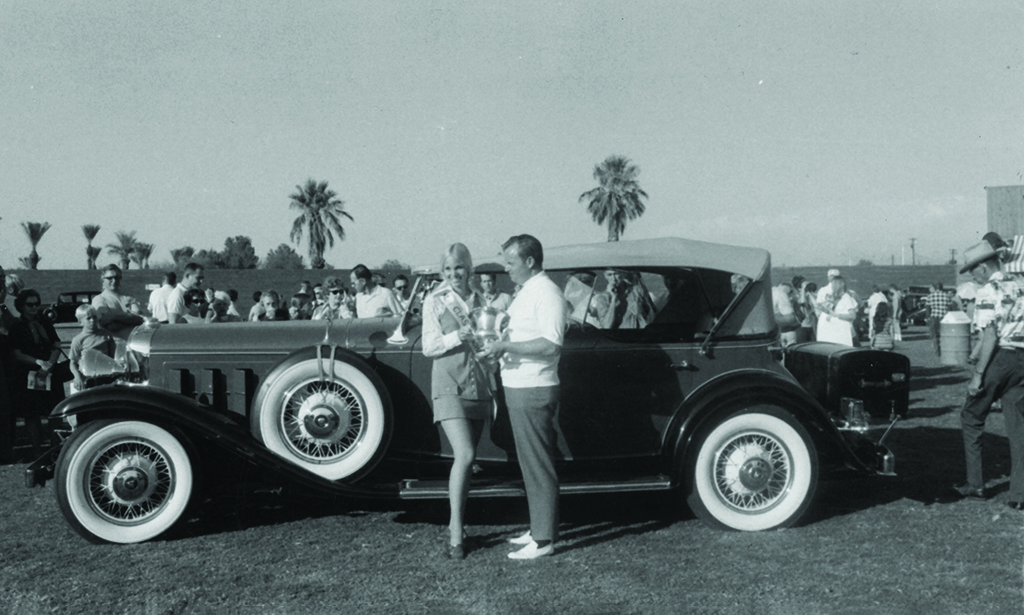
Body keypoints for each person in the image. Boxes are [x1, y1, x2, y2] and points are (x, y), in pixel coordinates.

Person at [478, 234, 567, 560]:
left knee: (538, 464)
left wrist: (504, 347)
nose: (506, 268)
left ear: (530, 261)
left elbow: (550, 345)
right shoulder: (529, 292)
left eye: (511, 262)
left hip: (533, 388)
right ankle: (538, 529)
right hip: (519, 386)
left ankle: (545, 540)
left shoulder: (547, 293)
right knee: (530, 464)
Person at [421, 243, 493, 560]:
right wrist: (456, 337)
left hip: (477, 382)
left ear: (469, 269)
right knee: (465, 454)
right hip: (448, 382)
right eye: (448, 270)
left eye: (459, 268)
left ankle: (460, 526)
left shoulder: (481, 300)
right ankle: (455, 532)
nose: (454, 275)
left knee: (469, 462)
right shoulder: (435, 301)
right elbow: (428, 346)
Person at [954, 239, 1024, 507]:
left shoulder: (987, 290)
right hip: (1022, 359)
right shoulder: (1020, 283)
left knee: (971, 416)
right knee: (1018, 428)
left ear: (983, 267)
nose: (972, 275)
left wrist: (978, 374)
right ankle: (1019, 495)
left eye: (973, 269)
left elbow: (991, 333)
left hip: (1001, 359)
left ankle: (975, 483)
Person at [9, 289, 68, 456]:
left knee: (54, 412)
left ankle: (55, 448)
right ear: (21, 306)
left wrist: (49, 363)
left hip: (49, 372)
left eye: (36, 304)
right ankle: (37, 450)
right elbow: (17, 353)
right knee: (32, 414)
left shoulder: (45, 322)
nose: (34, 308)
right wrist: (37, 362)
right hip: (28, 374)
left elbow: (56, 345)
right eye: (30, 305)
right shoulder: (16, 327)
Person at [68, 304, 118, 390]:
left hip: (105, 374)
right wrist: (77, 376)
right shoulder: (78, 339)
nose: (93, 320)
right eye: (88, 318)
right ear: (80, 322)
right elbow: (73, 362)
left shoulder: (106, 334)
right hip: (87, 376)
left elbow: (113, 356)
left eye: (94, 317)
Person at [91, 264, 145, 339]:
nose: (114, 281)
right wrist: (129, 318)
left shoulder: (129, 297)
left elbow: (140, 319)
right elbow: (109, 326)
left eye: (117, 277)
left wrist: (114, 317)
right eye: (110, 278)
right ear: (102, 280)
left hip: (134, 343)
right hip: (113, 345)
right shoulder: (99, 299)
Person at [816, 275, 857, 346]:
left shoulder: (846, 298)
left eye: (834, 285)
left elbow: (852, 316)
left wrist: (836, 315)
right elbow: (831, 312)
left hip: (842, 333)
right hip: (833, 333)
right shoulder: (834, 298)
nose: (832, 287)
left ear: (841, 285)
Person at [923, 283, 952, 355]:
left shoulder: (930, 296)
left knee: (934, 334)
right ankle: (944, 349)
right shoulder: (946, 296)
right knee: (944, 334)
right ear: (942, 288)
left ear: (935, 288)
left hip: (934, 316)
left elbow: (927, 307)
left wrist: (927, 317)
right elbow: (949, 307)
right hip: (944, 317)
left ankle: (937, 350)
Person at [773, 282, 800, 347]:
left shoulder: (771, 290)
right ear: (787, 289)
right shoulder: (782, 294)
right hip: (785, 331)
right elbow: (790, 319)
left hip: (773, 333)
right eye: (790, 292)